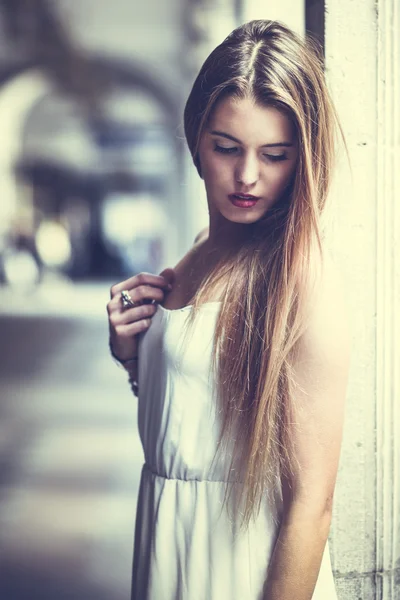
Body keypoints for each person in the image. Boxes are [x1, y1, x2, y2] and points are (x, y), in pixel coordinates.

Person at [107, 19, 350, 600]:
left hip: (246, 562)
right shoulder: (198, 250)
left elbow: (311, 506)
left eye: (274, 154)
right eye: (226, 148)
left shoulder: (299, 278)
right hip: (171, 542)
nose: (247, 176)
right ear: (196, 139)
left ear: (304, 157)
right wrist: (131, 355)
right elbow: (197, 419)